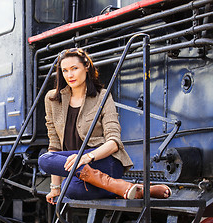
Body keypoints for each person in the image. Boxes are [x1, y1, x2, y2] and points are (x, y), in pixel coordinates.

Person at [38, 48, 171, 204]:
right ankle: (131, 189)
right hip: (75, 167)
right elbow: (55, 146)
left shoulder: (102, 96)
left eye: (74, 68)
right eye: (65, 70)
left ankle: (120, 185)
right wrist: (55, 187)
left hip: (105, 161)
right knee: (48, 163)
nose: (70, 75)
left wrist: (86, 157)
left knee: (66, 183)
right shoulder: (53, 99)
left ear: (86, 66)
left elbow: (114, 142)